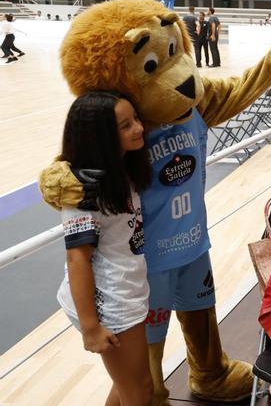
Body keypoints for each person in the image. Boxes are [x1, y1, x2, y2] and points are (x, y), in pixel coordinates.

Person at [55, 92, 153, 406]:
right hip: (109, 303)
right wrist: (91, 328)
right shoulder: (84, 189)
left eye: (136, 119)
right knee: (139, 391)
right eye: (125, 126)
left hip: (125, 288)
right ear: (100, 137)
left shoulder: (123, 168)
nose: (138, 128)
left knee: (129, 385)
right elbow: (77, 259)